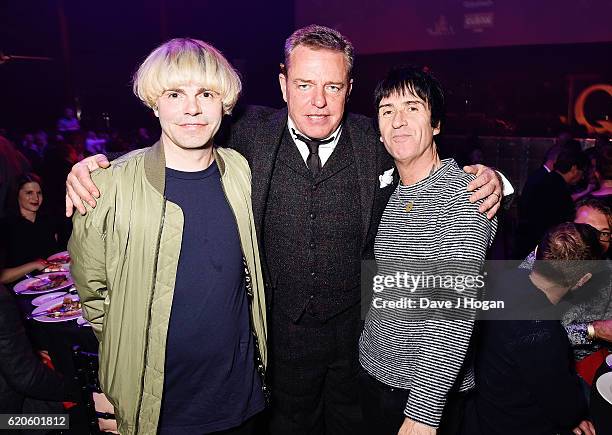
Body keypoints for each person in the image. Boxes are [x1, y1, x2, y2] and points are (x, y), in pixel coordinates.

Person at [64, 25, 505, 434]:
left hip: (360, 344)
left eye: (332, 87)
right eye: (304, 85)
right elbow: (185, 133)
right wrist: (96, 171)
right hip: (279, 343)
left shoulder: (378, 137)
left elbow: (423, 161)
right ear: (282, 85)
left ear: (349, 89)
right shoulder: (246, 133)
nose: (318, 101)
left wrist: (492, 180)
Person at [68, 39, 267, 435]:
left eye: (206, 94)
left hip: (240, 397)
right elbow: (93, 298)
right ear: (154, 103)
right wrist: (121, 374)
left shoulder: (241, 173)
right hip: (157, 408)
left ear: (224, 104)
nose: (191, 108)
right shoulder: (106, 187)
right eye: (175, 94)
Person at [358, 66, 497, 435]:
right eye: (387, 111)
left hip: (423, 393)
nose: (398, 121)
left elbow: (453, 311)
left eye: (412, 108)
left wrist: (423, 413)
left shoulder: (464, 195)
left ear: (436, 124)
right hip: (375, 371)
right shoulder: (391, 188)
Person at [463, 223, 601, 435]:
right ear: (582, 280)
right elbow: (567, 412)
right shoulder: (544, 334)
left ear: (536, 253)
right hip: (510, 424)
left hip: (481, 408)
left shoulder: (501, 280)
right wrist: (575, 417)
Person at [514, 146, 589, 258]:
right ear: (574, 169)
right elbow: (562, 225)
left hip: (526, 244)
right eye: (582, 172)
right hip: (540, 249)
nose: (582, 177)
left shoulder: (546, 179)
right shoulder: (558, 188)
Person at [0, 173, 60, 284]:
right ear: (16, 195)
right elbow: (2, 277)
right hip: (22, 290)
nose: (36, 198)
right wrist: (34, 265)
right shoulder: (6, 227)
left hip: (56, 282)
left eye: (39, 193)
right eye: (29, 193)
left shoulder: (48, 220)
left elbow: (57, 256)